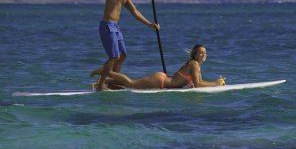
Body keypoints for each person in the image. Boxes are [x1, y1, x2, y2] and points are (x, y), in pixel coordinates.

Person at [96, 0, 160, 91]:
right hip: (107, 26)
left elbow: (135, 12)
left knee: (123, 55)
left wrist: (149, 24)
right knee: (113, 57)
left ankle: (112, 81)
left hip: (116, 27)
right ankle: (100, 85)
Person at [90, 44, 226, 90]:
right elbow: (198, 84)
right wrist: (216, 84)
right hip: (160, 80)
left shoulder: (196, 65)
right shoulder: (194, 64)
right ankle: (104, 71)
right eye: (200, 52)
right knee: (131, 83)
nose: (203, 54)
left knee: (130, 85)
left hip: (162, 81)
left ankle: (104, 82)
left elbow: (198, 82)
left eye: (205, 52)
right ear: (195, 54)